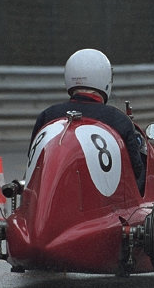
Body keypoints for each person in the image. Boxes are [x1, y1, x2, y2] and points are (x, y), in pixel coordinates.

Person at [29, 48, 146, 195]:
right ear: (105, 79)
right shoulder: (118, 119)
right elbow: (137, 172)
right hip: (105, 205)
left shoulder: (48, 116)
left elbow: (33, 167)